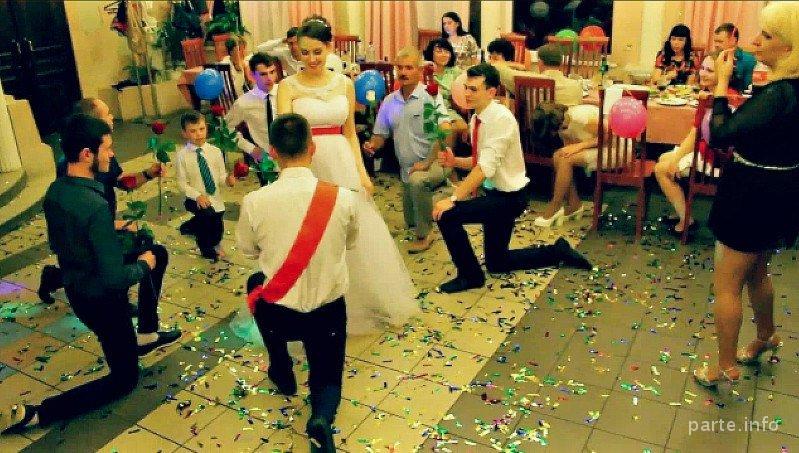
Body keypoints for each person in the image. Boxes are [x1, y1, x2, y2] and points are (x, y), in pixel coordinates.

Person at [0, 115, 180, 436]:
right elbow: (114, 279)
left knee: (156, 250)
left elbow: (62, 241)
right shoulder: (94, 205)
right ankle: (37, 414)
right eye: (107, 149)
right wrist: (144, 265)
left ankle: (146, 333)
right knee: (124, 379)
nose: (111, 154)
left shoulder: (56, 190)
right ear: (87, 154)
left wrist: (112, 231)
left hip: (78, 284)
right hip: (101, 301)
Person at [275, 21, 418, 334]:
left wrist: (362, 174)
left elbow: (350, 133)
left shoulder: (344, 84)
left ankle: (357, 303)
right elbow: (284, 138)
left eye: (318, 51)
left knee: (352, 231)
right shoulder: (287, 87)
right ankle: (310, 308)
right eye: (305, 52)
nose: (312, 58)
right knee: (312, 235)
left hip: (341, 161)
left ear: (329, 48)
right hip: (306, 164)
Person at [693, 1, 799, 387]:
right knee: (757, 271)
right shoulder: (789, 91)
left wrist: (721, 84)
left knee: (727, 285)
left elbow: (720, 133)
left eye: (766, 36)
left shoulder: (780, 94)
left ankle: (724, 365)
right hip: (781, 191)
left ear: (789, 47)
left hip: (751, 195)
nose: (756, 41)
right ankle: (766, 335)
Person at [237, 113, 356, 453]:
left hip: (280, 314)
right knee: (327, 375)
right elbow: (350, 242)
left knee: (255, 282)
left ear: (273, 151)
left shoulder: (254, 201)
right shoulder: (342, 197)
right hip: (327, 312)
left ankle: (282, 368)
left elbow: (248, 250)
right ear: (312, 147)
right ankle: (320, 417)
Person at [432, 64, 592, 294]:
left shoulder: (500, 120)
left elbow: (484, 169)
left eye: (473, 89)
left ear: (491, 92)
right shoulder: (477, 118)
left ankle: (470, 276)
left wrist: (453, 198)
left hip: (509, 199)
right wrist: (454, 161)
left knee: (447, 215)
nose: (466, 93)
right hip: (495, 193)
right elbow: (479, 161)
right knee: (498, 262)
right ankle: (558, 251)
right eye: (466, 88)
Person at [38, 98, 163, 306]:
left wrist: (148, 174)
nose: (112, 117)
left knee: (107, 260)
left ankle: (60, 278)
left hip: (101, 220)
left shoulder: (103, 152)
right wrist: (111, 224)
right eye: (107, 114)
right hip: (92, 225)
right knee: (95, 266)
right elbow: (75, 213)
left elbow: (121, 181)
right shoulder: (72, 166)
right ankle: (58, 279)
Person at [363, 47, 451, 253]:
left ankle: (425, 234)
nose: (403, 72)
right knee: (410, 221)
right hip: (407, 169)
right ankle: (438, 198)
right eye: (400, 68)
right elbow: (380, 135)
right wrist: (372, 145)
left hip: (435, 162)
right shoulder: (389, 101)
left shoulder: (430, 97)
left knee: (418, 182)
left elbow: (444, 130)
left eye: (409, 68)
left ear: (419, 70)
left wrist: (427, 163)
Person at [175, 111, 236, 261]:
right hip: (194, 199)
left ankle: (191, 226)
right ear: (184, 133)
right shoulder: (182, 156)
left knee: (217, 222)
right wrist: (197, 196)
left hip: (214, 198)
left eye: (201, 129)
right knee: (208, 219)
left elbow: (220, 177)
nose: (198, 134)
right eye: (193, 131)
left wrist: (228, 180)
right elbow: (182, 183)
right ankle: (207, 248)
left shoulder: (215, 152)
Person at [225, 53, 281, 186]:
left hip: (291, 156)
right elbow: (226, 129)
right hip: (265, 158)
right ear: (252, 75)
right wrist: (250, 149)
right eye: (263, 74)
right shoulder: (244, 103)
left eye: (272, 72)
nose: (269, 78)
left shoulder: (285, 93)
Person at [257, 19, 344, 76]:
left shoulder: (326, 58)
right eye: (291, 43)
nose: (294, 47)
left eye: (297, 43)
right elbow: (260, 49)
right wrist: (282, 40)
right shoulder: (284, 54)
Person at [424, 38, 464, 123]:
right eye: (439, 51)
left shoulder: (455, 71)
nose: (444, 55)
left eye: (447, 52)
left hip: (448, 110)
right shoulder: (425, 70)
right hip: (428, 110)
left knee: (462, 126)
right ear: (431, 53)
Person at [712, 23, 757, 93]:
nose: (716, 45)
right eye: (715, 41)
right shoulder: (712, 57)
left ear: (734, 40)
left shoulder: (748, 60)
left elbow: (749, 88)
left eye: (720, 42)